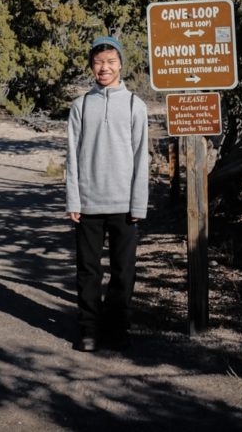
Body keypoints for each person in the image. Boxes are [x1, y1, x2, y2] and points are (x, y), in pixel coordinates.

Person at [66, 34, 149, 352]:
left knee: (123, 271)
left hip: (124, 205)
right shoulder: (81, 105)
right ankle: (88, 329)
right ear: (91, 66)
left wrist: (138, 202)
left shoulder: (134, 105)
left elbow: (143, 156)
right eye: (99, 62)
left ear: (121, 65)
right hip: (88, 203)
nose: (104, 67)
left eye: (111, 62)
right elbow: (71, 155)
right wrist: (74, 199)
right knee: (88, 270)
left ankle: (117, 328)